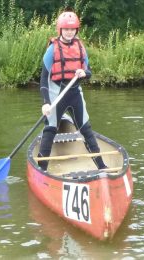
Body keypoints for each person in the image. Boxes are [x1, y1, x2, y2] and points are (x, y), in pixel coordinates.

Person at [37, 11, 107, 171]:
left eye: (72, 29)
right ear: (60, 30)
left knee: (86, 129)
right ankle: (42, 169)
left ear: (76, 30)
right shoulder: (52, 50)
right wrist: (46, 103)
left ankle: (102, 167)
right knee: (50, 129)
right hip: (56, 94)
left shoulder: (80, 47)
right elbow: (43, 80)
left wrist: (85, 73)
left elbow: (88, 71)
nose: (69, 32)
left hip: (75, 93)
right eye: (66, 29)